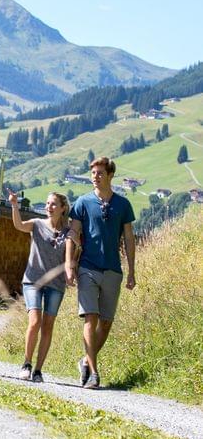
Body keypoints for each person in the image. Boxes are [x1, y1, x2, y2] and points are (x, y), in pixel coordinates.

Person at [65, 157, 136, 389]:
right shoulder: (82, 202)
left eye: (100, 173)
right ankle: (94, 374)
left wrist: (132, 270)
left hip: (113, 270)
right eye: (93, 172)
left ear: (110, 175)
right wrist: (70, 264)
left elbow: (128, 238)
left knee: (105, 322)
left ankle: (86, 360)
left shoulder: (123, 205)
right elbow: (73, 233)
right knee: (90, 318)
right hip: (88, 267)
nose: (95, 176)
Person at [9, 190, 70, 383]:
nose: (49, 207)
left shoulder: (69, 232)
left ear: (63, 208)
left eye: (53, 204)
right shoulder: (36, 224)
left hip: (56, 284)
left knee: (48, 326)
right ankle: (26, 363)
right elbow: (18, 225)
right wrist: (14, 205)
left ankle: (38, 370)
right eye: (47, 203)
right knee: (34, 321)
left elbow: (72, 256)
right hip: (33, 281)